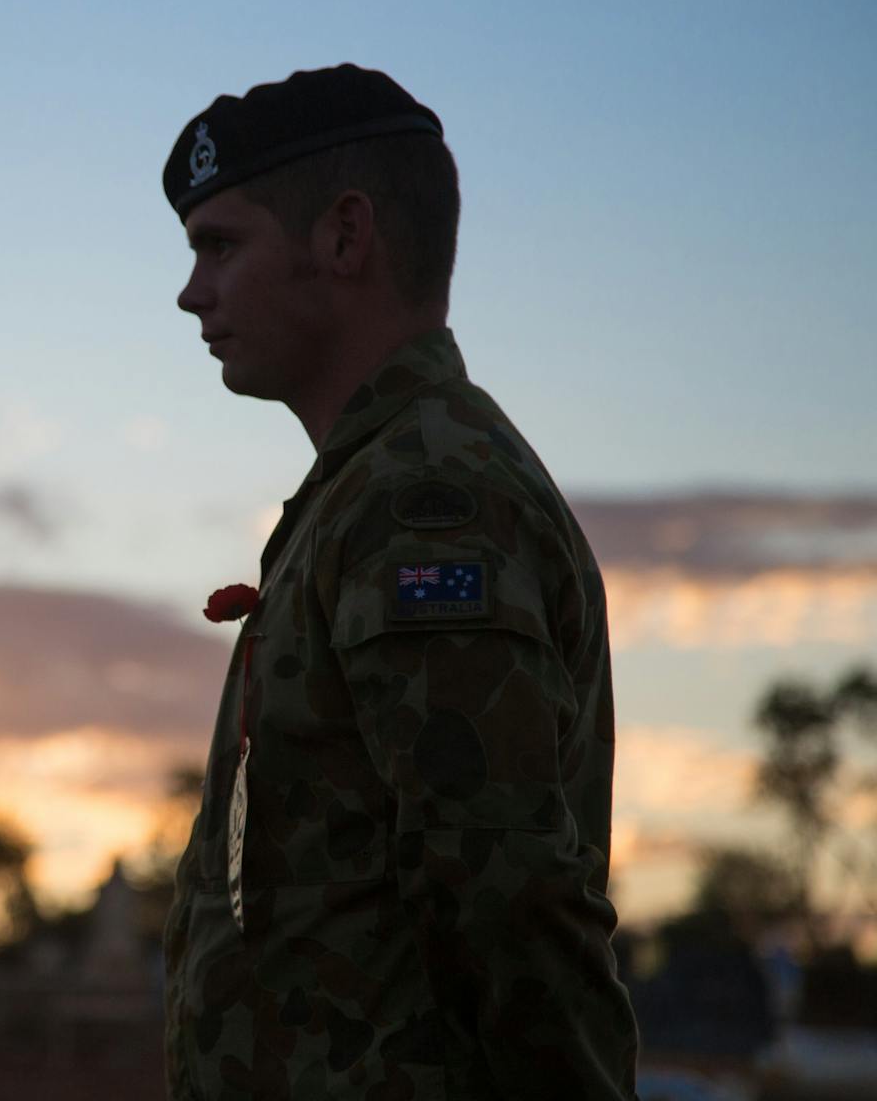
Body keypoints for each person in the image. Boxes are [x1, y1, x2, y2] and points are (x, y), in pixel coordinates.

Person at [160, 64, 641, 1100]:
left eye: (220, 245)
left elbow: (505, 895)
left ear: (342, 236)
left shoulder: (427, 496)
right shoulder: (369, 488)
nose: (191, 291)